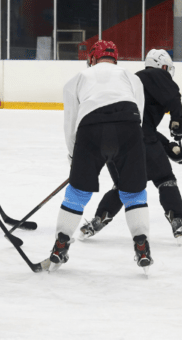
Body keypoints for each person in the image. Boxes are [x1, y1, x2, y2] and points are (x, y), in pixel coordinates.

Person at [79, 49, 182, 245]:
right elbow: (172, 101)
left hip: (113, 141)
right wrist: (179, 120)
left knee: (123, 186)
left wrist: (167, 147)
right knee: (165, 179)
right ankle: (178, 224)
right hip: (139, 140)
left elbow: (145, 128)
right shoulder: (158, 74)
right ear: (163, 67)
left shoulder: (132, 80)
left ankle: (95, 223)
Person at [50, 40, 153, 272]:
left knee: (78, 192)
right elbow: (140, 112)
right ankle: (141, 244)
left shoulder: (77, 78)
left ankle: (60, 244)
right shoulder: (130, 76)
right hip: (129, 125)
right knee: (134, 191)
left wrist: (74, 157)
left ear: (92, 59)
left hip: (91, 127)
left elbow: (71, 123)